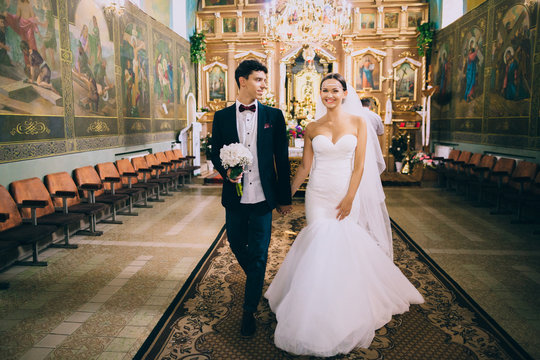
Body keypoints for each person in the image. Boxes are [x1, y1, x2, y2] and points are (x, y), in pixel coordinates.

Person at [265, 73, 424, 357]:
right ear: (320, 94)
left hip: (345, 192)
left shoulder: (359, 122)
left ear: (344, 92)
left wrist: (350, 197)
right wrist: (286, 194)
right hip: (318, 194)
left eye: (335, 90)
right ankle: (316, 303)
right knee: (319, 243)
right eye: (325, 90)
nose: (330, 95)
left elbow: (360, 166)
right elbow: (304, 167)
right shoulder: (312, 127)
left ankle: (343, 303)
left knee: (341, 246)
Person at [211, 59, 292, 337]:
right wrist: (227, 173)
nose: (264, 85)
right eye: (258, 79)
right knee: (235, 242)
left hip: (262, 198)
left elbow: (281, 158)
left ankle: (249, 311)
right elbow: (215, 152)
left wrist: (284, 198)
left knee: (258, 254)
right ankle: (257, 280)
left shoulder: (274, 116)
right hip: (235, 198)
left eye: (264, 80)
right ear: (242, 80)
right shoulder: (221, 117)